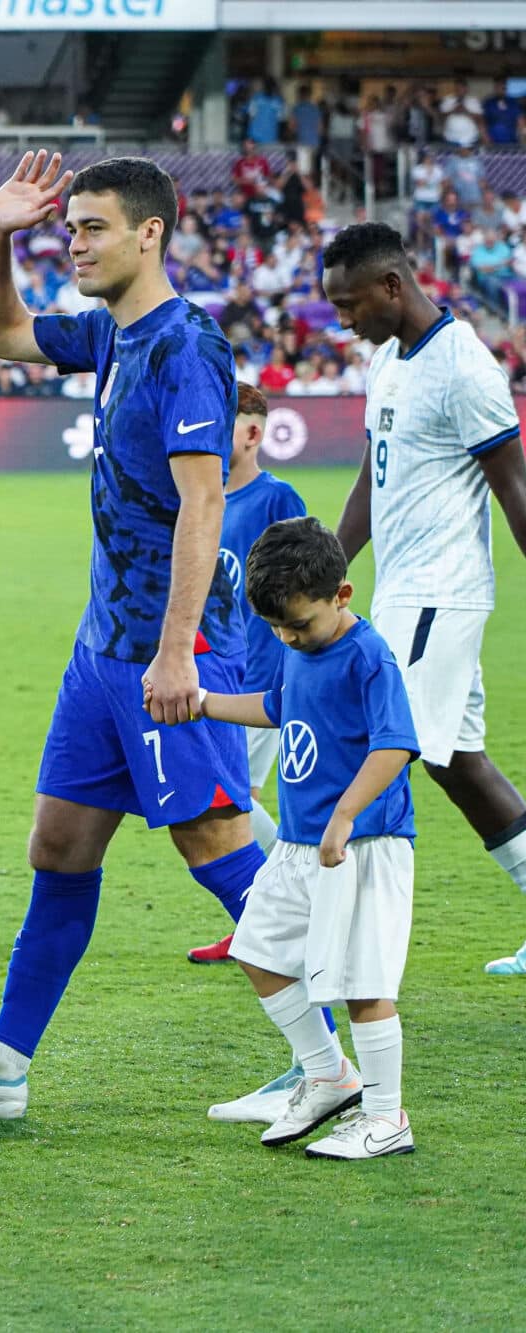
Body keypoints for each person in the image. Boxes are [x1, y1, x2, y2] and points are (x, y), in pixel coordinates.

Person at [0, 153, 278, 1120]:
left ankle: (337, 1061)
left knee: (219, 846)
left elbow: (203, 502)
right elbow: (4, 332)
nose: (76, 243)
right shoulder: (111, 335)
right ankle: (2, 1068)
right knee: (58, 847)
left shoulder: (187, 346)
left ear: (151, 234)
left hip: (164, 650)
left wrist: (178, 649)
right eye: (70, 228)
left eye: (91, 227)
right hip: (100, 651)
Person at [320, 221, 526, 976]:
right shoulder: (389, 360)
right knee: (457, 761)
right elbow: (375, 476)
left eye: (349, 304)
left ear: (392, 286)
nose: (343, 320)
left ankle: (344, 955)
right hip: (402, 592)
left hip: (441, 594)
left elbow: (516, 489)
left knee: (379, 750)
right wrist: (328, 566)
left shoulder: (464, 367)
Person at [178, 517, 418, 1159]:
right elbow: (278, 708)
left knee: (365, 986)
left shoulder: (369, 655)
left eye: (300, 625)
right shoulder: (298, 646)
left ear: (341, 595)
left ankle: (387, 1118)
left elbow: (395, 743)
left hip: (362, 845)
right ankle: (326, 1074)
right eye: (279, 628)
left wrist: (344, 816)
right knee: (257, 952)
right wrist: (202, 701)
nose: (289, 637)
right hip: (298, 846)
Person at [188, 381, 309, 964]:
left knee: (231, 801)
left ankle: (291, 900)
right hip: (218, 673)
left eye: (225, 424)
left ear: (254, 433)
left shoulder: (274, 498)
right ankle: (261, 917)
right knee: (239, 799)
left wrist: (297, 658)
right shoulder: (204, 498)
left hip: (264, 675)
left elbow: (301, 583)